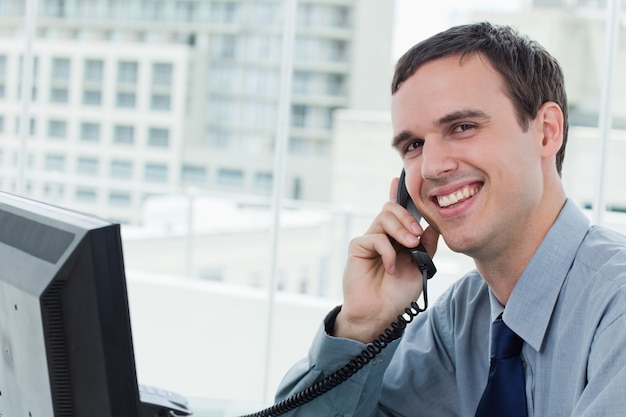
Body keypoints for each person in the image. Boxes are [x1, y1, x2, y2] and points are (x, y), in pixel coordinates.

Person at [274, 22, 626, 416]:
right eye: (414, 145)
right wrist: (361, 326)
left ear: (546, 132)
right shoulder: (461, 318)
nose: (432, 167)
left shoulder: (617, 311)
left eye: (462, 127)